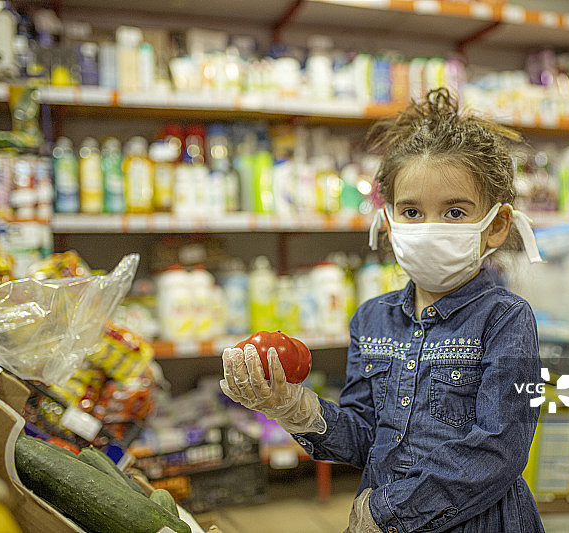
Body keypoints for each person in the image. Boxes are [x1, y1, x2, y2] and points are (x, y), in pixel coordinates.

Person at [220, 87, 545, 533]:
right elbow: (364, 438)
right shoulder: (371, 319)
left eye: (454, 213)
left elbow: (501, 450)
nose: (429, 228)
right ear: (388, 223)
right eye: (411, 212)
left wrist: (389, 513)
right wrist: (298, 410)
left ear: (497, 225)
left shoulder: (507, 320)